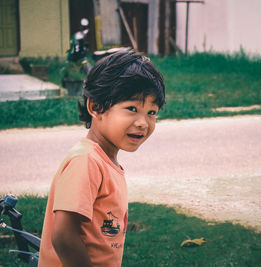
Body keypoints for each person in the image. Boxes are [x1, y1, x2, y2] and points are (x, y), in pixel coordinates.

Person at [38, 51, 166, 267]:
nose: (143, 122)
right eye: (132, 109)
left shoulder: (104, 162)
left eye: (151, 112)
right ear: (95, 107)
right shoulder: (86, 161)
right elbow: (63, 235)